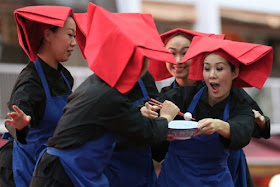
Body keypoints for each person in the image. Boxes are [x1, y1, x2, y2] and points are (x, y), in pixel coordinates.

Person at [30, 3, 179, 187]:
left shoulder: (98, 85)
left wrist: (142, 113)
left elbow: (126, 118)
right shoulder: (109, 95)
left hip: (70, 171)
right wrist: (166, 116)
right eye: (142, 58)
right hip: (63, 175)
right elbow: (149, 132)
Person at [142, 36, 273, 186]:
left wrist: (219, 126)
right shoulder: (183, 95)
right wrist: (148, 114)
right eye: (207, 68)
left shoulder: (239, 102)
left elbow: (245, 127)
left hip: (215, 180)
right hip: (175, 179)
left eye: (219, 68)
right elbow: (154, 117)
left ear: (234, 73)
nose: (211, 75)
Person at [0, 6, 79, 186]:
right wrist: (20, 125)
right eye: (69, 35)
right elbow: (13, 119)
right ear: (48, 35)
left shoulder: (65, 77)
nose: (74, 42)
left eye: (75, 36)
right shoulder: (30, 82)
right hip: (25, 169)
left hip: (51, 168)